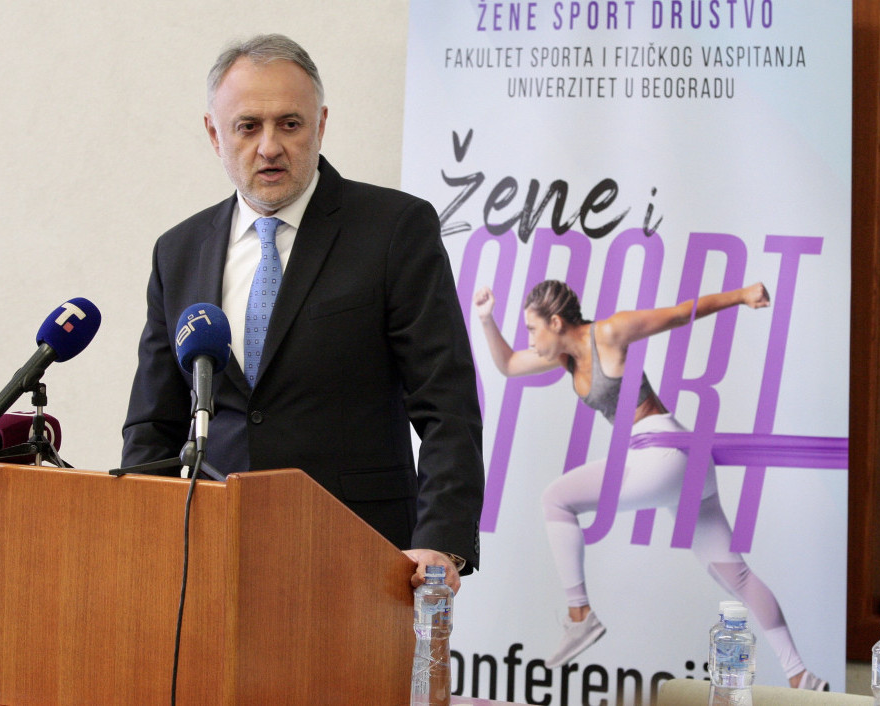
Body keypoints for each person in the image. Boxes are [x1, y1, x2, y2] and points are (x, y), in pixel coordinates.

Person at [121, 34, 483, 593]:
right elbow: (154, 423)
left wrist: (440, 539)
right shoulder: (180, 251)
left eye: (289, 124)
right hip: (215, 557)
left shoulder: (394, 229)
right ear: (215, 134)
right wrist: (144, 539)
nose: (269, 146)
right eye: (248, 126)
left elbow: (447, 405)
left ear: (321, 124)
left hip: (361, 553)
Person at [473, 280, 828, 690]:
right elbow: (508, 365)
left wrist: (742, 295)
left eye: (533, 329)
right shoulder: (565, 359)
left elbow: (678, 314)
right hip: (687, 463)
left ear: (555, 322)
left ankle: (579, 614)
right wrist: (485, 319)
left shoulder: (609, 332)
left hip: (661, 452)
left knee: (556, 499)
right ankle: (800, 675)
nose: (531, 341)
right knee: (738, 576)